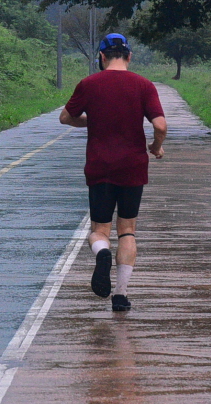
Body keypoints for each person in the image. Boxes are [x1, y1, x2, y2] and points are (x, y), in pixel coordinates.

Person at [59, 33, 167, 312]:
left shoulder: (89, 84)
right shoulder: (144, 85)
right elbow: (160, 126)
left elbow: (66, 117)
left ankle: (102, 252)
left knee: (99, 230)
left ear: (102, 57)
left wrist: (93, 121)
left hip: (100, 166)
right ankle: (120, 295)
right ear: (129, 56)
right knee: (127, 230)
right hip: (133, 166)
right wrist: (156, 147)